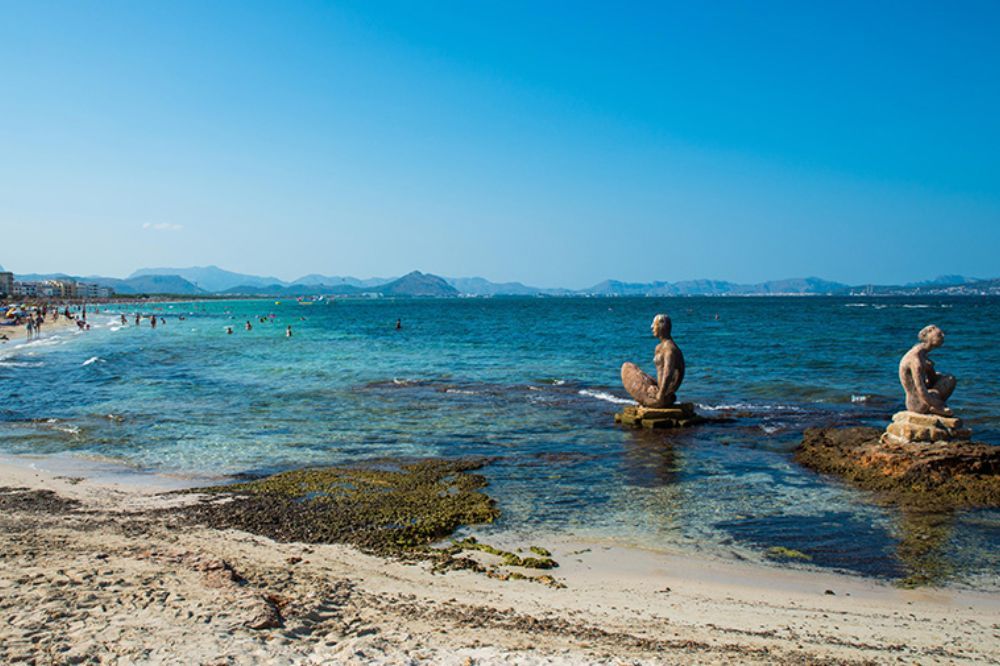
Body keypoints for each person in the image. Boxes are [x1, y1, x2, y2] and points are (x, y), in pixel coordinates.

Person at [620, 314, 686, 408]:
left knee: (625, 369)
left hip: (664, 393)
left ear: (661, 326)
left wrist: (660, 395)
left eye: (654, 324)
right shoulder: (659, 347)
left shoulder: (669, 349)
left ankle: (656, 401)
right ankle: (655, 397)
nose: (651, 327)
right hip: (661, 388)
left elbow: (668, 373)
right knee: (629, 366)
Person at [898, 325, 956, 416]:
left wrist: (930, 370)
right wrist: (939, 404)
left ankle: (934, 406)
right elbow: (920, 389)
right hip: (917, 403)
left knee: (949, 379)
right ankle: (933, 408)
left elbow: (931, 379)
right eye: (939, 335)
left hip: (923, 395)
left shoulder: (922, 352)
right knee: (945, 384)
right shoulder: (915, 359)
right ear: (929, 337)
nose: (943, 336)